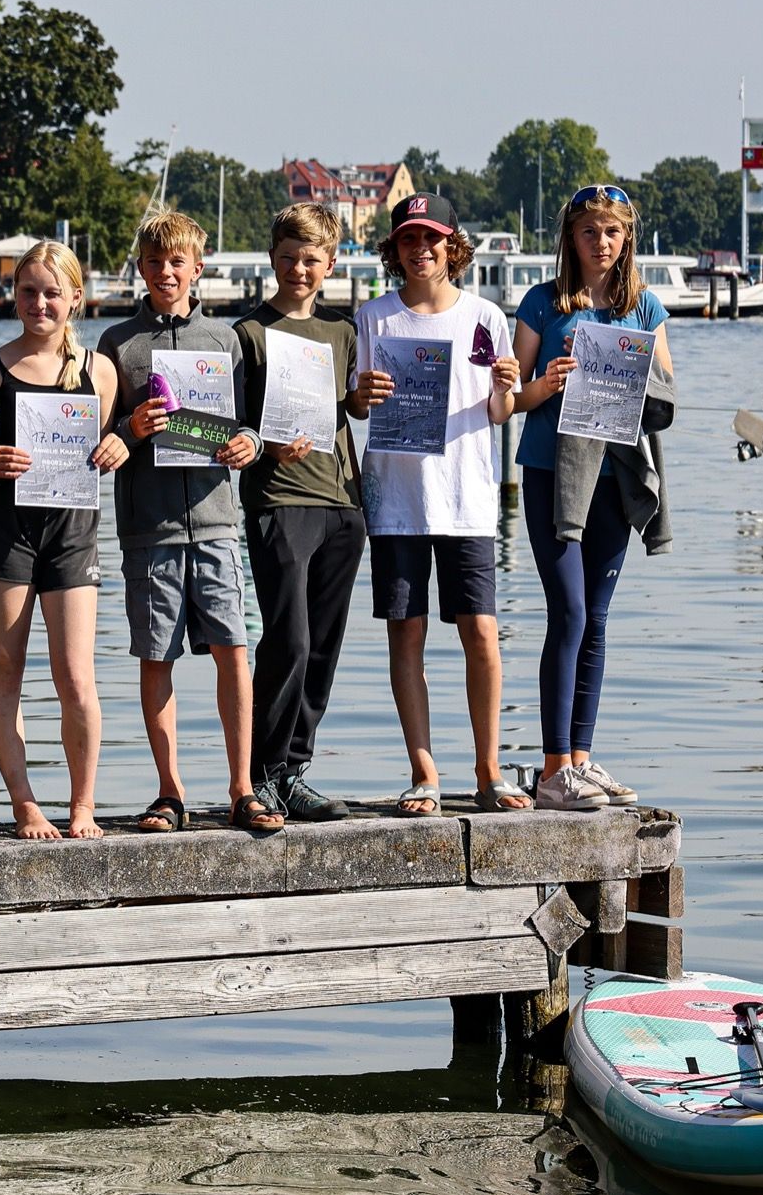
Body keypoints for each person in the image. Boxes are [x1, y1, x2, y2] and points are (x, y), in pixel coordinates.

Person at [96, 212, 278, 835]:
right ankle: (169, 792)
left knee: (233, 650)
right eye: (154, 263)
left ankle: (241, 789)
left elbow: (249, 424)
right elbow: (94, 438)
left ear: (197, 269)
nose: (166, 272)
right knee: (156, 657)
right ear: (141, 270)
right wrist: (129, 430)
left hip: (218, 524)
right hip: (149, 529)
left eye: (177, 263)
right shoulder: (117, 344)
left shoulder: (224, 342)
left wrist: (247, 444)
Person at [354, 194, 532, 814]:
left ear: (453, 245)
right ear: (395, 249)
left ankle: (489, 770)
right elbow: (354, 405)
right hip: (396, 501)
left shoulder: (485, 317)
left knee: (480, 631)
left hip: (467, 499)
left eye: (431, 238)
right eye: (408, 239)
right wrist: (360, 396)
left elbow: (497, 411)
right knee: (408, 633)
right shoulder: (372, 318)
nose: (420, 249)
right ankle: (424, 772)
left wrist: (508, 390)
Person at [511, 184, 674, 810]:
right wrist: (546, 383)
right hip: (553, 473)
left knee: (598, 620)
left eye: (611, 230)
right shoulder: (543, 304)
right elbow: (508, 399)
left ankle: (582, 756)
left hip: (617, 478)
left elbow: (664, 400)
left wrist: (635, 372)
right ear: (570, 239)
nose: (601, 242)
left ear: (626, 236)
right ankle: (554, 767)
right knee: (570, 612)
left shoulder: (647, 307)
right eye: (589, 231)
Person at [0, 240, 125, 840]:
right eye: (28, 291)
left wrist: (120, 446)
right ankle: (25, 801)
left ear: (75, 299)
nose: (40, 303)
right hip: (5, 532)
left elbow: (113, 438)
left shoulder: (99, 371)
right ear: (14, 296)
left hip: (73, 533)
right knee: (4, 668)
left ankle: (82, 803)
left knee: (75, 676)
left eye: (52, 293)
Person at [236, 204, 374, 823]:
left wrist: (362, 398)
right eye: (289, 256)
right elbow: (233, 429)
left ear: (331, 264)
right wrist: (263, 446)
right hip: (278, 499)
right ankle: (260, 774)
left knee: (322, 645)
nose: (299, 268)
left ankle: (294, 769)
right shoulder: (247, 334)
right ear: (273, 258)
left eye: (311, 259)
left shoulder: (343, 333)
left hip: (342, 502)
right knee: (286, 639)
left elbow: (350, 409)